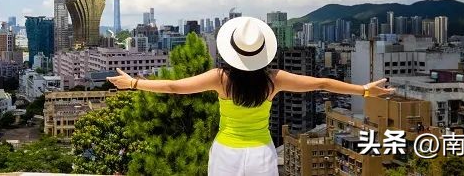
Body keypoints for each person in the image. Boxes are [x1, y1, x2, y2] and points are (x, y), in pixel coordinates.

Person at [107, 16, 394, 176]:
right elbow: (322, 83)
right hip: (261, 154)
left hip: (226, 153)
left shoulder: (221, 79)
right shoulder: (274, 79)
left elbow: (173, 87)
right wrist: (365, 90)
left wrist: (133, 83)